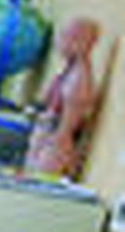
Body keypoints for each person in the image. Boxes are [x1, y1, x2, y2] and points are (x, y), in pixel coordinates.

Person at [24, 16, 102, 179]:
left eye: (66, 37)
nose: (59, 43)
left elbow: (68, 124)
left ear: (82, 42)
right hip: (46, 136)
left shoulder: (79, 78)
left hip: (55, 144)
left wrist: (54, 147)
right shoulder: (68, 71)